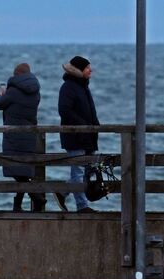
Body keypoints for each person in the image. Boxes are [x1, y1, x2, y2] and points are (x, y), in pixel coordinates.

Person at [0, 62, 46, 212]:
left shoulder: (13, 92)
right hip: (29, 135)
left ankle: (36, 197)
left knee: (16, 169)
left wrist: (0, 92)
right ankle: (18, 204)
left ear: (16, 75)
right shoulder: (36, 92)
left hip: (14, 136)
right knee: (22, 170)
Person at [56, 55, 99, 213]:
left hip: (88, 136)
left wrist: (95, 125)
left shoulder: (83, 87)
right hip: (75, 136)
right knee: (79, 171)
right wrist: (84, 125)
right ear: (80, 70)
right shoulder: (68, 87)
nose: (90, 70)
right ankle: (82, 206)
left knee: (87, 171)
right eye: (88, 67)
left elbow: (89, 110)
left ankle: (62, 192)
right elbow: (64, 111)